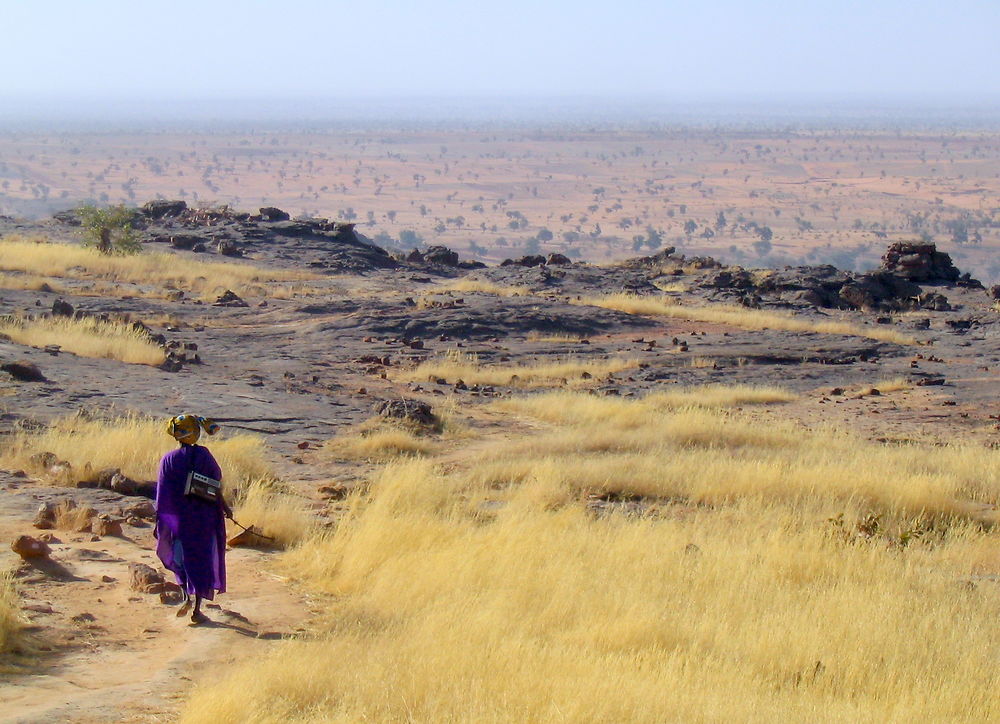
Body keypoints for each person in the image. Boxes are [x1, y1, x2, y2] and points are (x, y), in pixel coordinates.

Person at [155, 414, 232, 624]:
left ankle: (184, 595)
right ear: (196, 433)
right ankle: (197, 609)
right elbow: (215, 484)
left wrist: (163, 519)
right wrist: (224, 507)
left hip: (179, 520)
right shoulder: (205, 456)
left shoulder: (168, 460)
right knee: (201, 560)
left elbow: (162, 494)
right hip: (204, 518)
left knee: (180, 558)